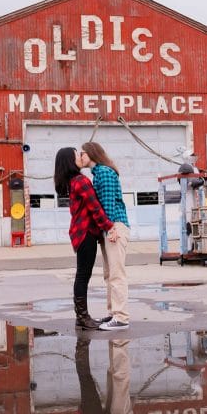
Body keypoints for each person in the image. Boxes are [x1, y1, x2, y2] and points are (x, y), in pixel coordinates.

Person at [54, 147, 114, 329]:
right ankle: (82, 318)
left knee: (82, 276)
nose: (80, 156)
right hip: (85, 233)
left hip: (81, 233)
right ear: (71, 161)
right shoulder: (81, 181)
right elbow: (95, 207)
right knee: (82, 276)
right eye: (77, 155)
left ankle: (81, 317)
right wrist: (110, 227)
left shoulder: (73, 181)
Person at [81, 141, 130, 331]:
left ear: (92, 154)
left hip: (114, 226)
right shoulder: (98, 173)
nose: (80, 157)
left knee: (117, 274)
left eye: (82, 154)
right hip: (109, 228)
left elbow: (107, 204)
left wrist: (110, 229)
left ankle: (121, 317)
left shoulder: (104, 173)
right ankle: (113, 314)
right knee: (109, 274)